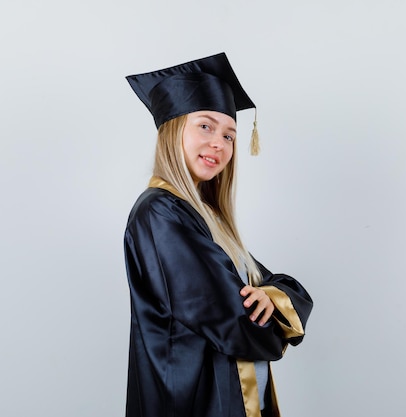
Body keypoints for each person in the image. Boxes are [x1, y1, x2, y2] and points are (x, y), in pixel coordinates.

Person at [123, 52, 313, 417]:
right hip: (193, 402)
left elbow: (270, 283)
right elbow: (235, 322)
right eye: (205, 127)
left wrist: (272, 296)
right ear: (173, 130)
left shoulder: (204, 217)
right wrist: (270, 318)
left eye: (229, 135)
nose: (219, 144)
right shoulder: (161, 213)